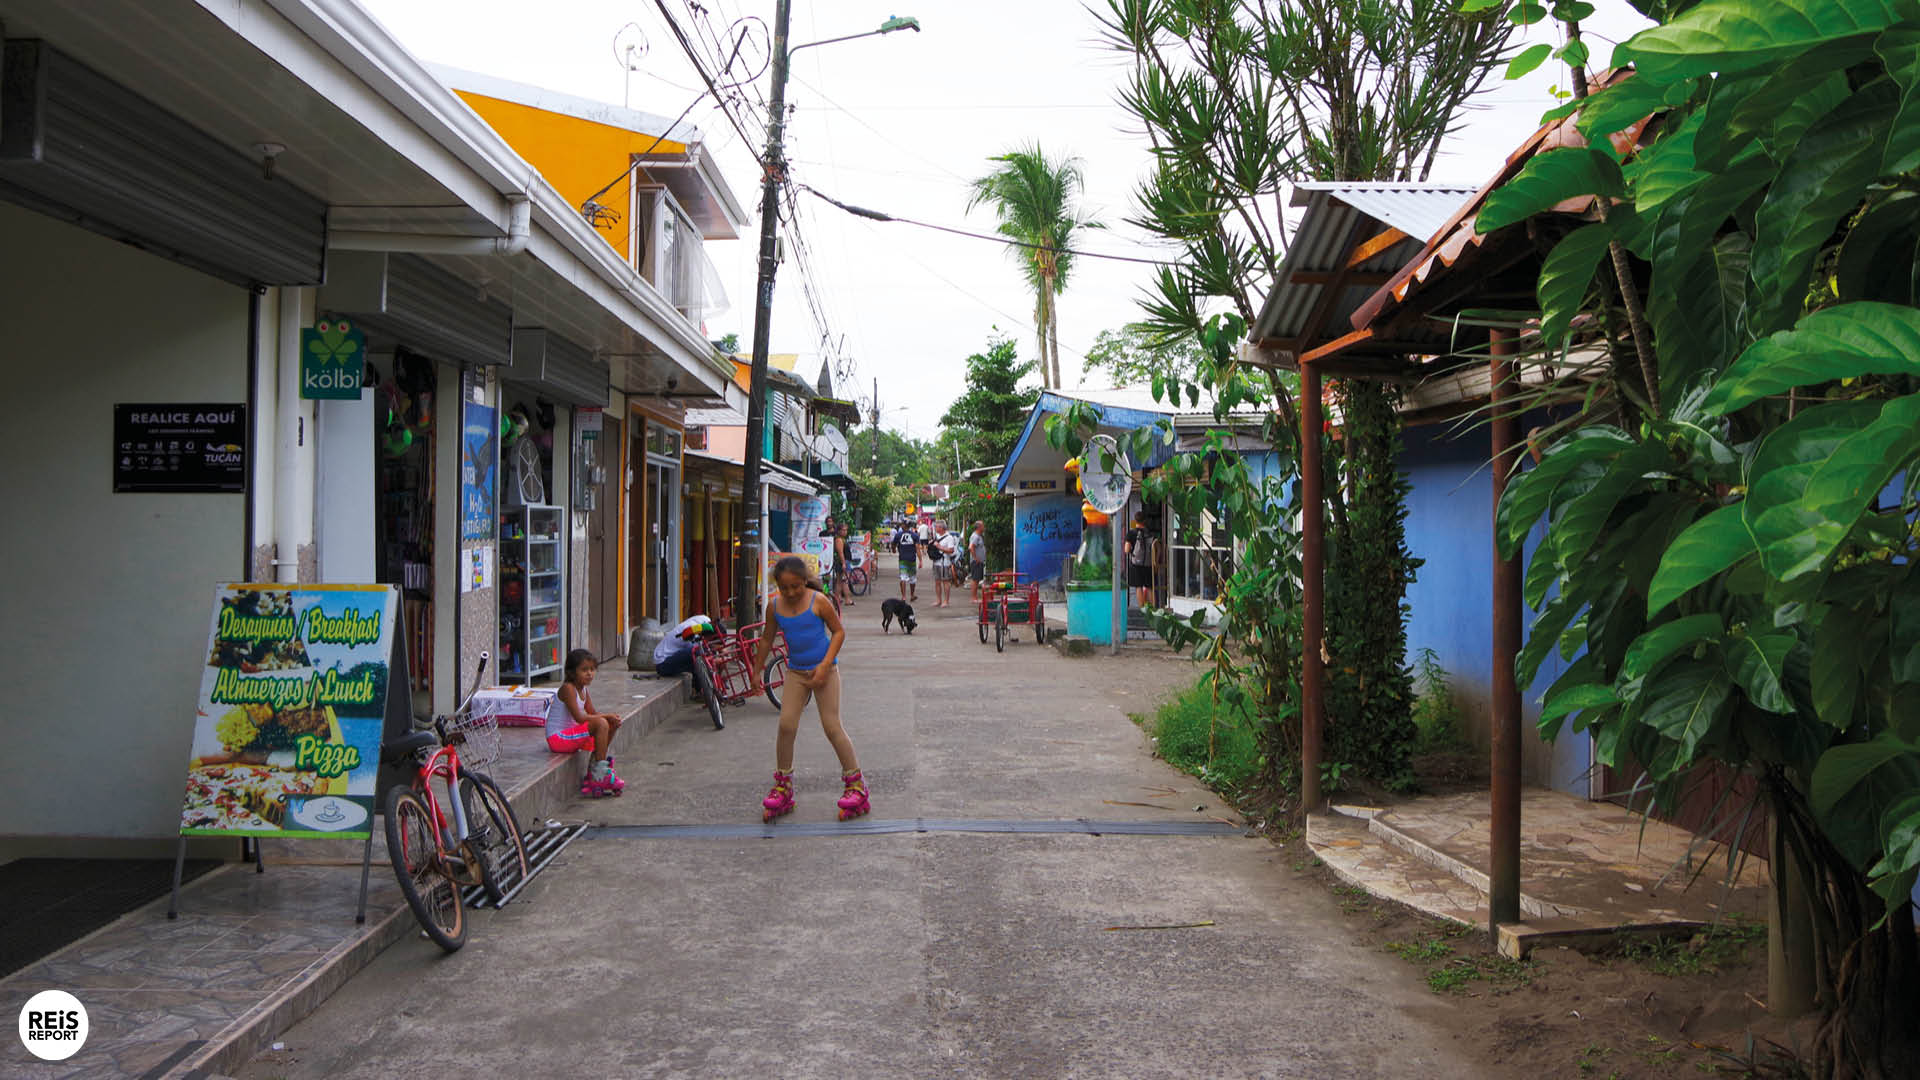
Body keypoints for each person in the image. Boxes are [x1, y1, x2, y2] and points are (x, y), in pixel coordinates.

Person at [749, 555, 867, 823]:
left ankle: (856, 785)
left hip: (825, 672)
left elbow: (838, 632)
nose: (791, 593)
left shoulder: (819, 601)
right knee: (786, 725)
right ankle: (783, 786)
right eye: (784, 588)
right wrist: (756, 671)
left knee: (832, 726)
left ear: (805, 581)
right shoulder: (774, 607)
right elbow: (766, 639)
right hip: (796, 673)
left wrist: (825, 665)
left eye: (796, 586)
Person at [551, 649, 626, 798]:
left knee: (609, 723)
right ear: (571, 672)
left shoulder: (583, 690)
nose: (589, 674)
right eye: (584, 670)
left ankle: (595, 767)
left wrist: (611, 719)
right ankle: (600, 773)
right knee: (602, 723)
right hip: (558, 738)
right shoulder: (568, 688)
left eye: (592, 669)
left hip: (571, 735)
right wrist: (606, 717)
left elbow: (592, 713)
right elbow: (580, 718)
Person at [1125, 517, 1155, 607]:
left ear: (1135, 521)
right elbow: (1156, 547)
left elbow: (1126, 549)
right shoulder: (1150, 533)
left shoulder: (1131, 533)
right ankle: (1153, 608)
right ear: (1144, 521)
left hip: (1136, 564)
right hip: (1148, 563)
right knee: (1149, 587)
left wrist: (1131, 552)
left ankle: (1142, 608)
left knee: (1139, 586)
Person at [930, 520, 958, 608]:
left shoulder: (949, 537)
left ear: (941, 528)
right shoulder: (937, 536)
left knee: (946, 582)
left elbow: (951, 550)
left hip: (944, 562)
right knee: (937, 582)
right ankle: (938, 600)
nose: (935, 528)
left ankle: (946, 601)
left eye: (937, 527)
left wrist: (939, 547)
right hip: (936, 562)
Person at [893, 518, 921, 602]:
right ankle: (912, 595)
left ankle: (904, 597)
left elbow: (893, 545)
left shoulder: (898, 535)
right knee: (912, 578)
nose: (901, 525)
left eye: (902, 524)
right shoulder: (915, 535)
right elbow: (918, 549)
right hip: (912, 559)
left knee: (903, 577)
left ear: (904, 525)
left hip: (903, 559)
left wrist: (894, 550)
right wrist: (921, 560)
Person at [833, 523, 854, 608]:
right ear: (839, 531)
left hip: (844, 562)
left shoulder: (842, 539)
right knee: (844, 581)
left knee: (840, 582)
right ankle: (847, 599)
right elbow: (840, 553)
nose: (845, 532)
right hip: (843, 562)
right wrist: (844, 563)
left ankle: (837, 599)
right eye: (843, 530)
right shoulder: (839, 540)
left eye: (846, 530)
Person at [967, 520, 988, 604]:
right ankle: (974, 598)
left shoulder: (979, 536)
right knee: (975, 579)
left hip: (978, 561)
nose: (984, 527)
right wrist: (976, 558)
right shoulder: (975, 536)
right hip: (976, 562)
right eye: (983, 526)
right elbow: (971, 547)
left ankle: (974, 597)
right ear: (979, 527)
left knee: (977, 579)